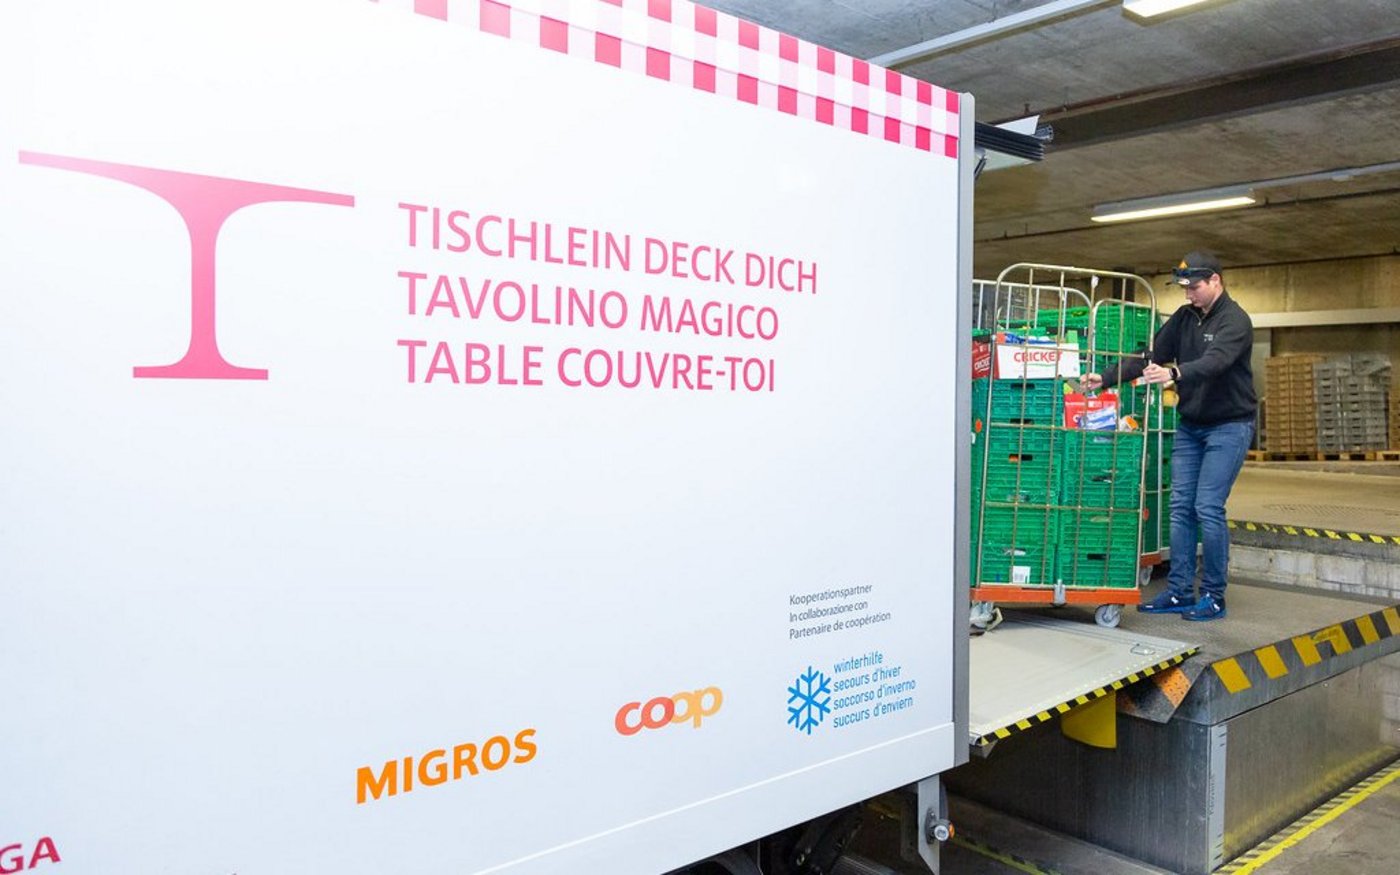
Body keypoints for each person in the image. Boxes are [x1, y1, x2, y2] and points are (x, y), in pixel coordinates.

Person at [1082, 252, 1256, 621]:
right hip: (1191, 425)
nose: (1188, 294)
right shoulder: (1184, 317)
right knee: (1180, 508)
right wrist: (1107, 377)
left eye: (1194, 287)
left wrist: (1175, 374)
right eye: (1184, 288)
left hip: (1229, 426)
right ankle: (1179, 591)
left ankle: (1213, 596)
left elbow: (1216, 362)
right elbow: (1151, 354)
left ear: (1215, 281)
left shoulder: (1235, 321)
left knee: (1207, 506)